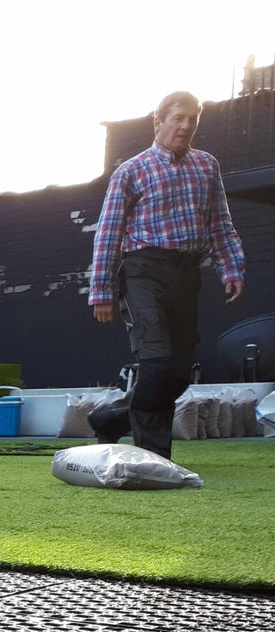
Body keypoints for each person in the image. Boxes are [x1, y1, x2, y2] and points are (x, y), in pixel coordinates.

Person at [87, 90, 244, 461]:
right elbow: (108, 233)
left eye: (193, 119)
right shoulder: (132, 171)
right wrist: (102, 291)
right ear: (158, 122)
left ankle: (110, 419)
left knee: (178, 372)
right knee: (156, 360)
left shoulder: (207, 166)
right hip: (143, 271)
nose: (186, 125)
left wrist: (231, 265)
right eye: (178, 118)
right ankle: (153, 458)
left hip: (188, 271)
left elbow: (220, 222)